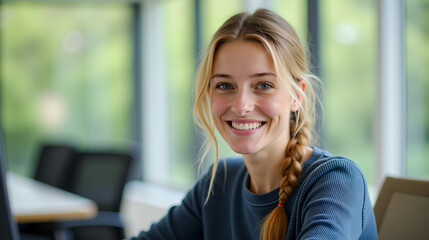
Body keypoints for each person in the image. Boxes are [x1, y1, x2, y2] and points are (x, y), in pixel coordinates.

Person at [129, 8, 377, 240]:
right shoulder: (219, 182)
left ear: (296, 96)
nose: (241, 105)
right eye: (225, 86)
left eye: (264, 85)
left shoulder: (336, 181)